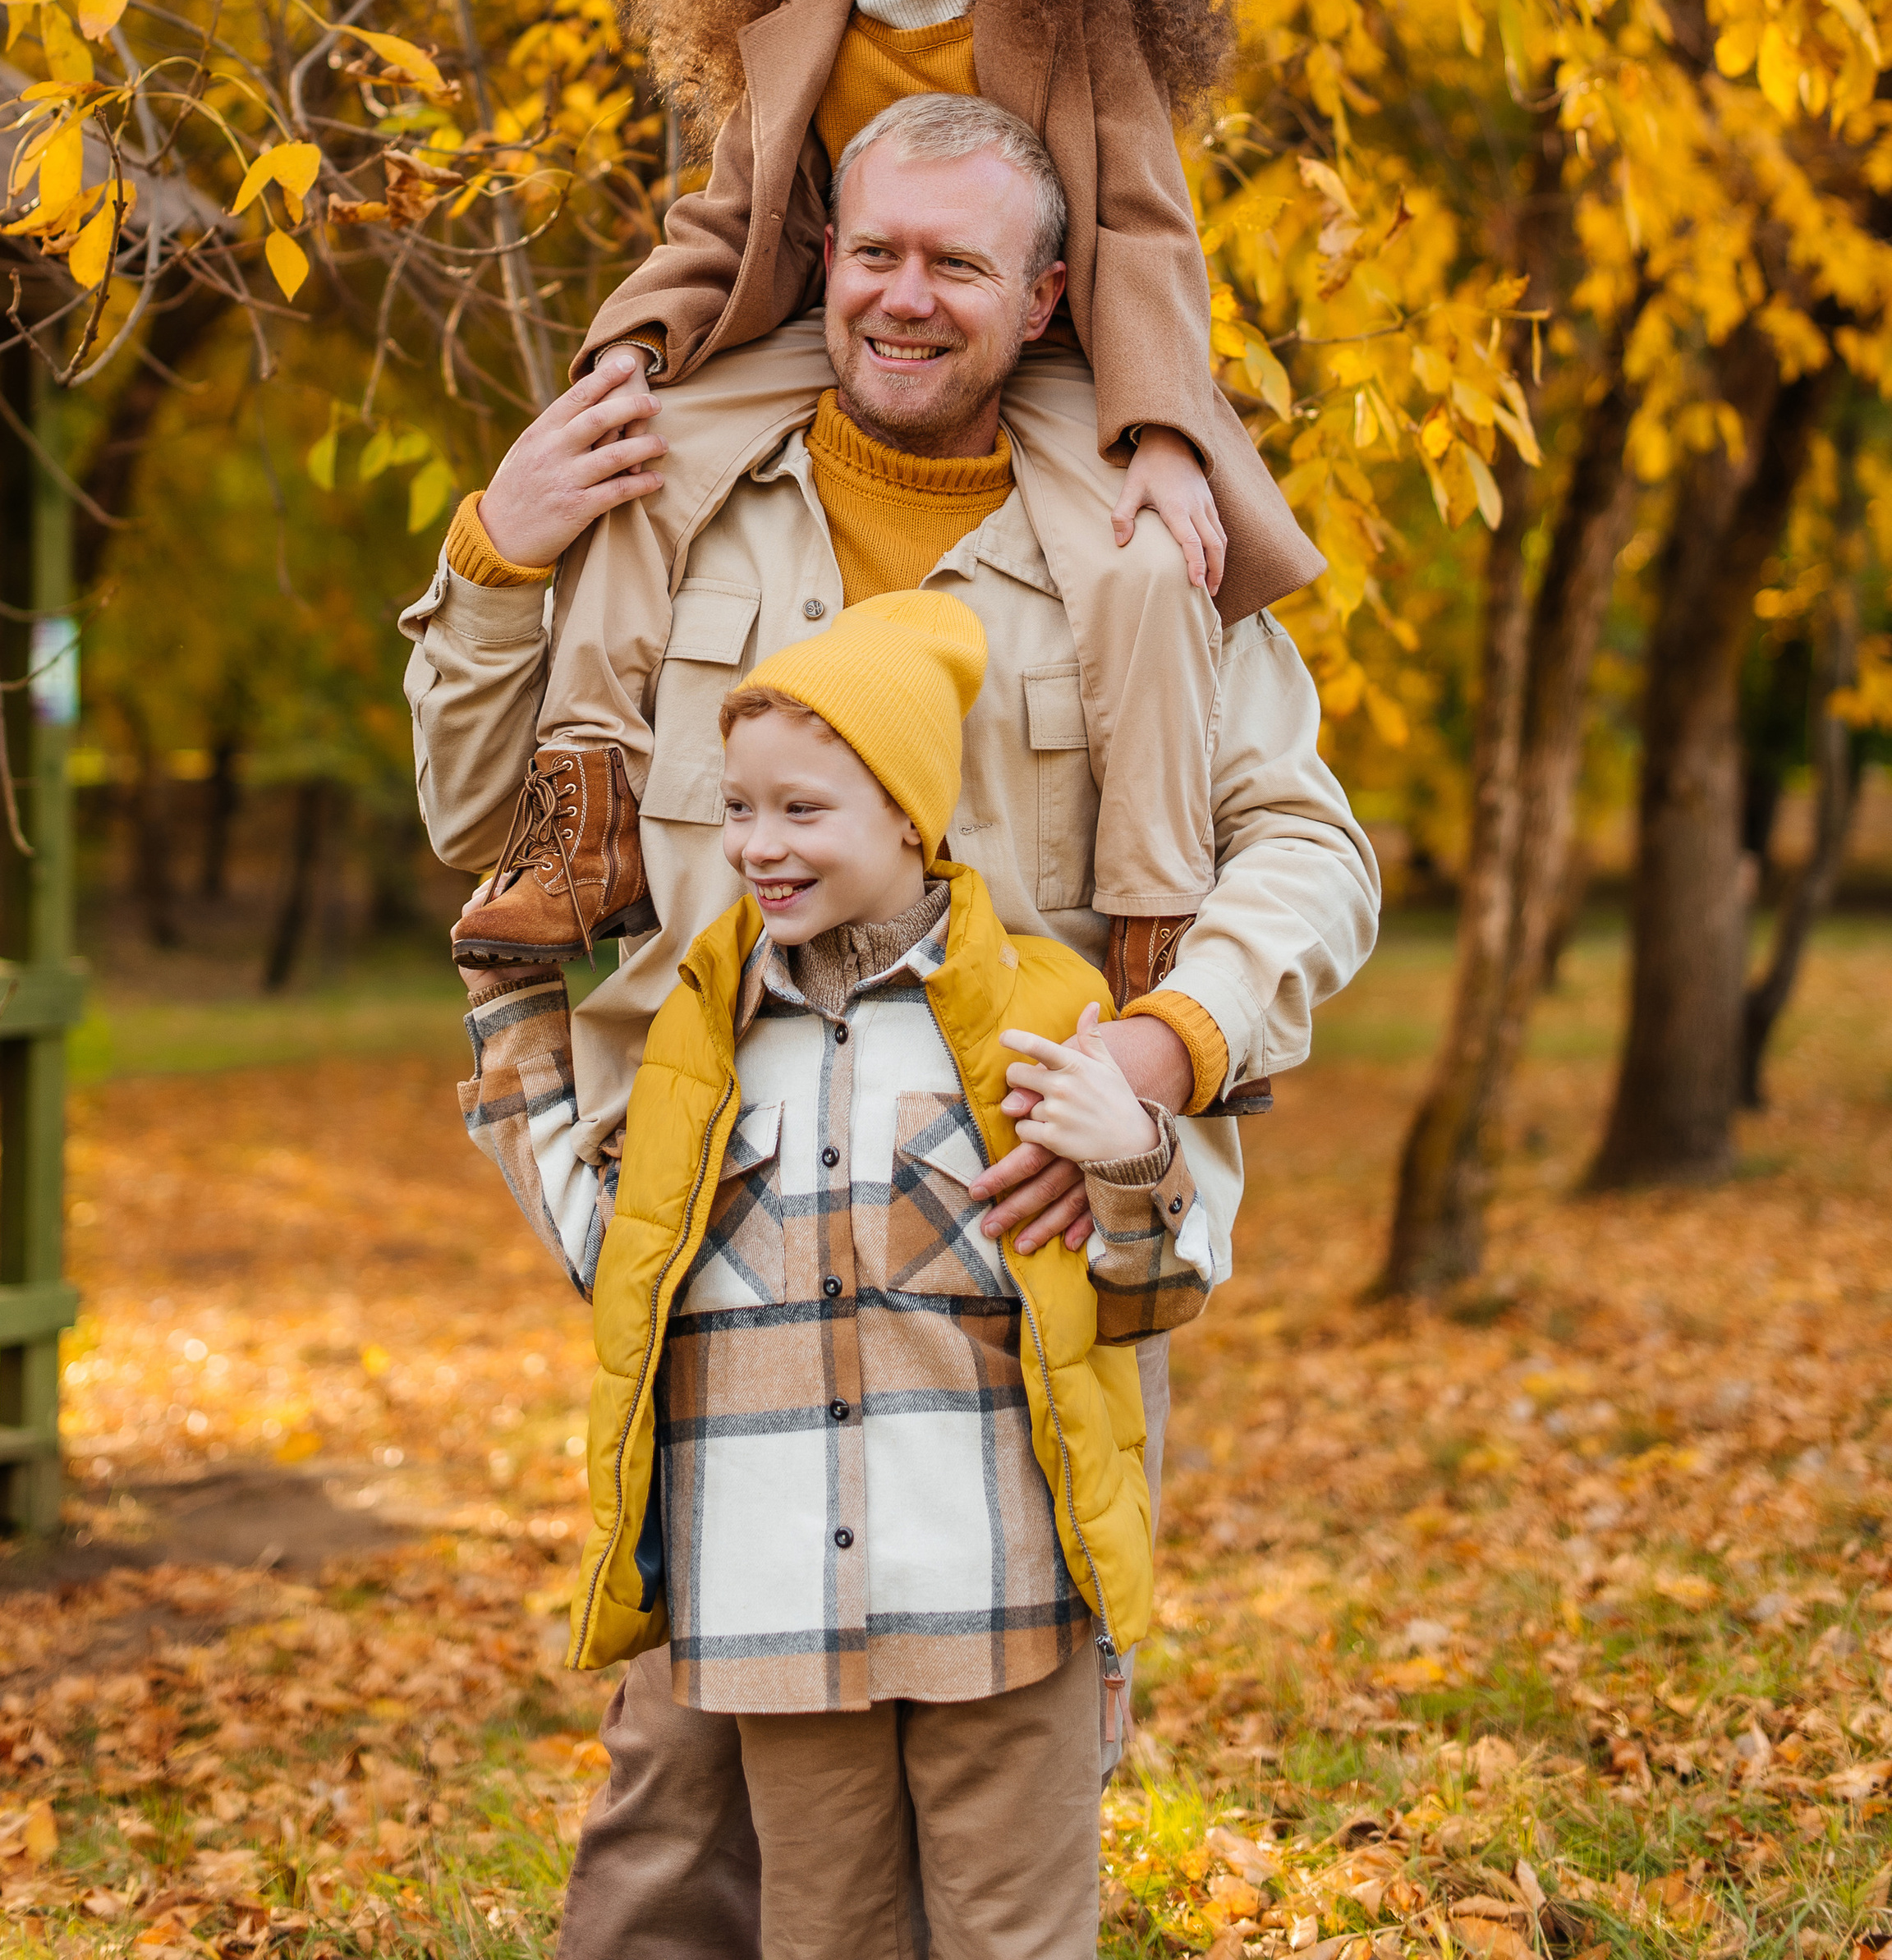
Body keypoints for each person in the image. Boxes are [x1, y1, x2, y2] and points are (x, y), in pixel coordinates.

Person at [402, 101, 1379, 1960]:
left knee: (1004, 1812)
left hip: (1028, 1258)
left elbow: (1308, 849)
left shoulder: (1140, 543)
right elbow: (478, 834)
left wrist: (1163, 1048)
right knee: (678, 1803)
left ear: (1046, 296)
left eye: (955, 264)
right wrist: (500, 557)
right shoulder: (666, 504)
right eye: (871, 252)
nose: (901, 298)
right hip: (724, 1250)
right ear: (822, 256)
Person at [448, 0, 1324, 1008]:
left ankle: (1157, 906)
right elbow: (730, 225)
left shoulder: (1062, 0)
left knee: (1149, 567)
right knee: (644, 462)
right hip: (820, 319)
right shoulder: (799, 21)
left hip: (1058, 349)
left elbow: (1143, 229)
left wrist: (1160, 435)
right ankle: (591, 815)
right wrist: (629, 356)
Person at [460, 589, 1216, 1959]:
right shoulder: (704, 1032)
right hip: (773, 1615)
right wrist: (509, 1012)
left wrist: (1133, 1154)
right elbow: (612, 1255)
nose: (757, 845)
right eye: (739, 808)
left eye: (803, 810)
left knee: (1015, 1940)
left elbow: (1149, 1293)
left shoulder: (1041, 1016)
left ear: (909, 816)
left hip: (1003, 1601)